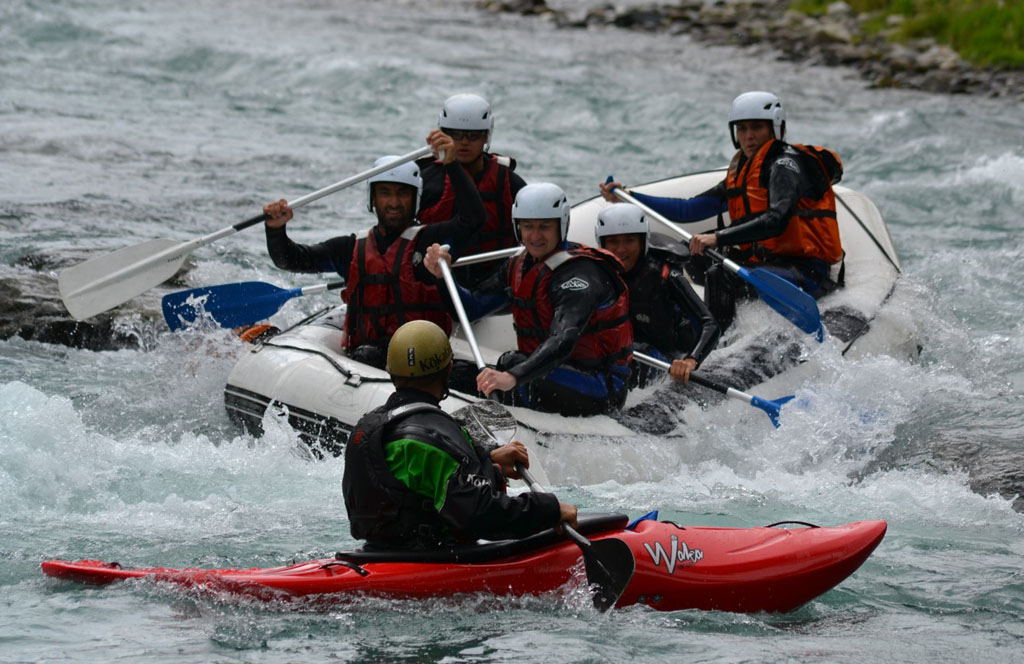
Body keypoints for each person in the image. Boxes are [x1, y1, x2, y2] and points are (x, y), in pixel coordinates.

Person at [600, 91, 844, 331]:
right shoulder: (743, 171)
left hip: (806, 271)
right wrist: (630, 197)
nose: (748, 137)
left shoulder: (785, 165)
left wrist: (718, 237)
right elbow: (689, 210)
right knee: (689, 256)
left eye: (756, 128)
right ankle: (685, 323)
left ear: (775, 129)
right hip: (767, 261)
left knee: (720, 275)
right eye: (742, 129)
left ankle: (715, 343)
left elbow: (776, 220)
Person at [342, 320, 576, 550]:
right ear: (449, 369)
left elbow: (411, 485)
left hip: (376, 552)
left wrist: (489, 464)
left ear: (391, 371)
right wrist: (549, 510)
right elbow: (484, 516)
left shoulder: (368, 426)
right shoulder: (436, 440)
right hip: (430, 558)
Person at [262, 130, 485, 368]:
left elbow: (474, 220)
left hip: (421, 362)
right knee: (369, 354)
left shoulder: (429, 242)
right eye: (385, 193)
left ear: (416, 198)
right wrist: (276, 230)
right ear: (373, 197)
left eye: (402, 194)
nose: (394, 203)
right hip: (365, 361)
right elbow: (290, 260)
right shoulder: (350, 248)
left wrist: (451, 164)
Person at [424, 183, 634, 417]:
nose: (535, 236)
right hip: (546, 373)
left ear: (561, 225)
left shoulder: (580, 275)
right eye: (528, 227)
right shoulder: (518, 266)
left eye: (544, 227)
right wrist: (443, 277)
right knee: (457, 374)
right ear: (518, 228)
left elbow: (563, 339)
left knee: (511, 363)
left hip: (600, 388)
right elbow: (470, 309)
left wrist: (512, 377)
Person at [594, 203, 719, 385]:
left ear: (642, 241)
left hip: (668, 357)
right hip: (630, 348)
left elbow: (709, 323)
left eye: (629, 241)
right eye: (613, 241)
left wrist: (690, 361)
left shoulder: (664, 275)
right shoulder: (596, 274)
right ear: (602, 243)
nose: (621, 250)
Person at [417, 93, 527, 288]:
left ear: (486, 136)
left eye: (473, 135)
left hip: (495, 281)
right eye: (455, 134)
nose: (464, 142)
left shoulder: (510, 182)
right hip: (437, 280)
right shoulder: (425, 181)